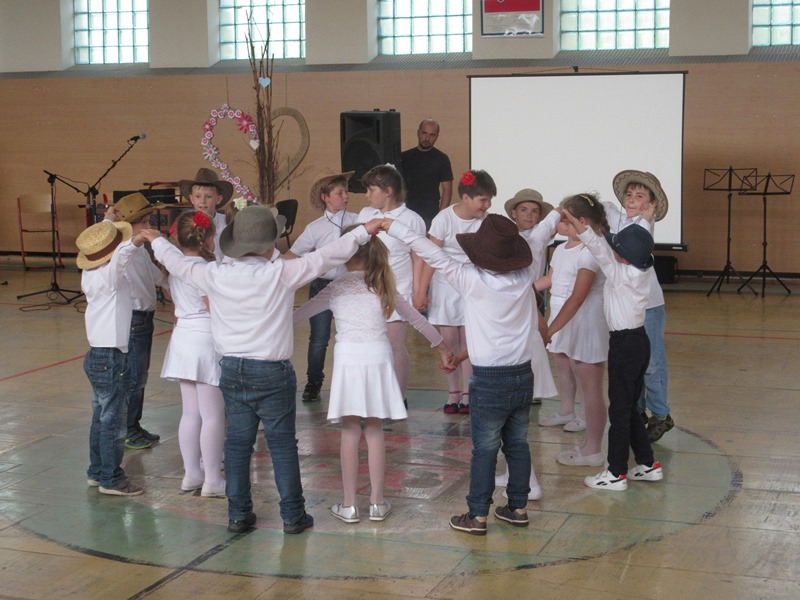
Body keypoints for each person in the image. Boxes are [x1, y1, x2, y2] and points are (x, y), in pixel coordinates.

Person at [141, 205, 383, 534]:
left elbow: (177, 263)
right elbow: (327, 255)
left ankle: (238, 514)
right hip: (273, 372)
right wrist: (364, 230)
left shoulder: (214, 274)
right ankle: (293, 516)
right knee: (282, 445)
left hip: (232, 371)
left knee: (237, 444)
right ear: (270, 246)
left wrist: (156, 240)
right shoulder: (282, 272)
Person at [381, 206, 538, 536]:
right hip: (523, 375)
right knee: (517, 445)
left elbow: (429, 251)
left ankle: (477, 515)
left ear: (480, 256)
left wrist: (389, 224)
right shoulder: (525, 276)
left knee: (484, 449)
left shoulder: (471, 280)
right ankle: (518, 507)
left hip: (489, 380)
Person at [293, 226, 453, 524]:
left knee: (350, 430)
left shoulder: (336, 287)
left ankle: (350, 505)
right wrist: (442, 348)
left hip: (349, 361)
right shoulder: (383, 285)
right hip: (378, 358)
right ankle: (378, 503)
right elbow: (417, 320)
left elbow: (298, 316)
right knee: (375, 429)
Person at [562, 207, 664, 492]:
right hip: (639, 342)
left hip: (624, 345)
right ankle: (647, 464)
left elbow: (598, 247)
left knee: (619, 410)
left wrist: (577, 223)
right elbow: (636, 239)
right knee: (628, 406)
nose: (613, 250)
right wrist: (647, 218)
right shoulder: (642, 268)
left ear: (622, 256)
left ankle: (616, 473)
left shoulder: (619, 274)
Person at [77, 219, 148, 497]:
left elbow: (110, 253)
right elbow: (121, 257)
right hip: (111, 357)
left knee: (100, 418)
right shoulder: (109, 276)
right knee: (114, 422)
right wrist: (137, 240)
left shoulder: (89, 275)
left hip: (96, 355)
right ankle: (111, 478)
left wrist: (107, 221)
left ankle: (96, 471)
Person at [537, 195, 609, 467]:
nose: (559, 224)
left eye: (564, 219)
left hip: (587, 322)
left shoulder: (591, 251)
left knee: (591, 388)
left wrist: (549, 330)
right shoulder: (564, 250)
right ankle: (588, 445)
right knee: (579, 376)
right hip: (573, 319)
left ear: (582, 222)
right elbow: (554, 281)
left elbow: (578, 297)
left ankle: (593, 450)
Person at [414, 170, 493, 414]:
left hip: (473, 284)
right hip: (446, 286)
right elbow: (430, 257)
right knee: (449, 340)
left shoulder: (486, 221)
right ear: (466, 197)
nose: (487, 205)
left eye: (489, 200)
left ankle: (468, 393)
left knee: (469, 342)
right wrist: (421, 290)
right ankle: (453, 392)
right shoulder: (444, 218)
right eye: (483, 200)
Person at [160, 210, 226, 498]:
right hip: (204, 339)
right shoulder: (204, 270)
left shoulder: (176, 266)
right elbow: (214, 309)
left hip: (182, 338)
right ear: (210, 238)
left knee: (190, 412)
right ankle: (212, 479)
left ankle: (191, 474)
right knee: (213, 415)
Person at [606, 170, 674, 443]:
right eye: (629, 194)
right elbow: (603, 208)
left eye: (640, 195)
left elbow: (644, 221)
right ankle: (638, 409)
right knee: (634, 359)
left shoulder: (645, 222)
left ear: (651, 204)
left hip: (649, 305)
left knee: (652, 362)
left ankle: (661, 414)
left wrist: (648, 212)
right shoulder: (616, 216)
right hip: (626, 305)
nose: (633, 199)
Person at [284, 171, 359, 403]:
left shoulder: (357, 221)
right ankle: (313, 382)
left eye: (346, 191)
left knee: (353, 336)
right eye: (339, 193)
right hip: (322, 286)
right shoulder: (314, 228)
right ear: (325, 197)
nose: (345, 196)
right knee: (318, 339)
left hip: (351, 286)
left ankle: (353, 383)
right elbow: (293, 255)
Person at [357, 164, 426, 405]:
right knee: (370, 345)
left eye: (371, 190)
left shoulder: (411, 219)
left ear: (388, 191)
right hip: (368, 290)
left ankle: (398, 396)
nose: (367, 195)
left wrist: (419, 290)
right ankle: (374, 396)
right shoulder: (365, 215)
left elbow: (418, 256)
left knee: (395, 344)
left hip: (398, 289)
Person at [104, 193, 168, 451]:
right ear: (131, 225)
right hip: (134, 319)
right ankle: (128, 429)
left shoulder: (139, 249)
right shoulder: (121, 249)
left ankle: (134, 424)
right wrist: (108, 221)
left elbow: (156, 276)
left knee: (140, 376)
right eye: (145, 221)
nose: (150, 225)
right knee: (133, 378)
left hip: (144, 319)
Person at [400, 119, 454, 230]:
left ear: (437, 137)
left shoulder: (442, 159)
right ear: (418, 133)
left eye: (432, 135)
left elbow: (447, 190)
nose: (427, 138)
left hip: (430, 215)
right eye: (424, 133)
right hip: (405, 213)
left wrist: (440, 218)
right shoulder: (404, 157)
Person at [179, 168, 233, 262]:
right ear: (192, 199)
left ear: (218, 199)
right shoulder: (185, 225)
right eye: (198, 196)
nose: (202, 201)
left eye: (208, 196)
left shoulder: (228, 223)